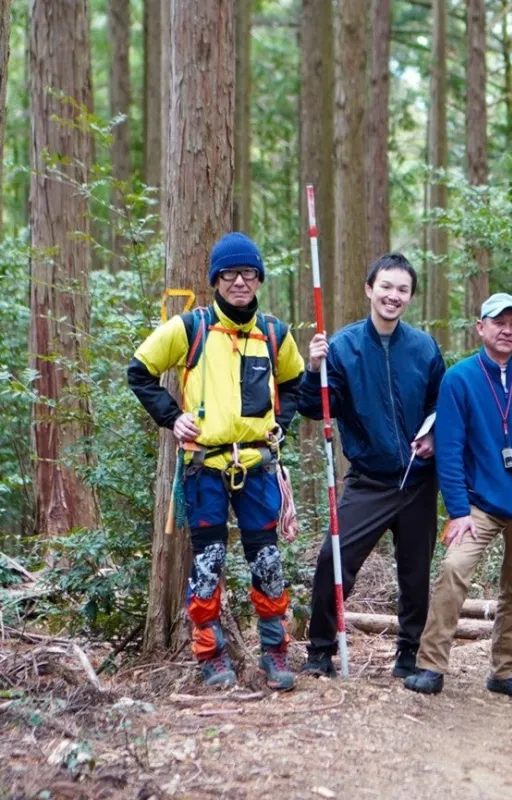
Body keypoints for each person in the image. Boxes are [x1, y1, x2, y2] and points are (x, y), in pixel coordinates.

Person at [127, 232, 305, 690]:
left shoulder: (274, 333)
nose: (239, 282)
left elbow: (295, 383)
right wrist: (172, 418)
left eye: (247, 273)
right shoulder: (191, 328)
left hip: (258, 465)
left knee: (267, 560)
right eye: (229, 274)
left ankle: (275, 653)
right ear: (215, 280)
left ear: (259, 279)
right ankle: (211, 656)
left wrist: (281, 424)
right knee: (208, 561)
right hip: (203, 466)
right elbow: (139, 371)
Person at [404, 293, 512, 703]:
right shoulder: (459, 378)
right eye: (498, 322)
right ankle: (431, 666)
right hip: (479, 503)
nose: (506, 330)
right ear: (481, 327)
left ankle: (504, 671)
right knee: (454, 569)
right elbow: (450, 449)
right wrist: (458, 511)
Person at [298, 253, 445, 679]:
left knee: (415, 573)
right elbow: (316, 408)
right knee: (334, 559)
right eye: (386, 286)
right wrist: (313, 369)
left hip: (418, 479)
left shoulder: (423, 347)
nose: (393, 296)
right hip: (369, 479)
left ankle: (409, 653)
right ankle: (320, 651)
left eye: (402, 289)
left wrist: (434, 435)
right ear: (369, 289)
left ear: (410, 296)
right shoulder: (343, 347)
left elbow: (441, 403)